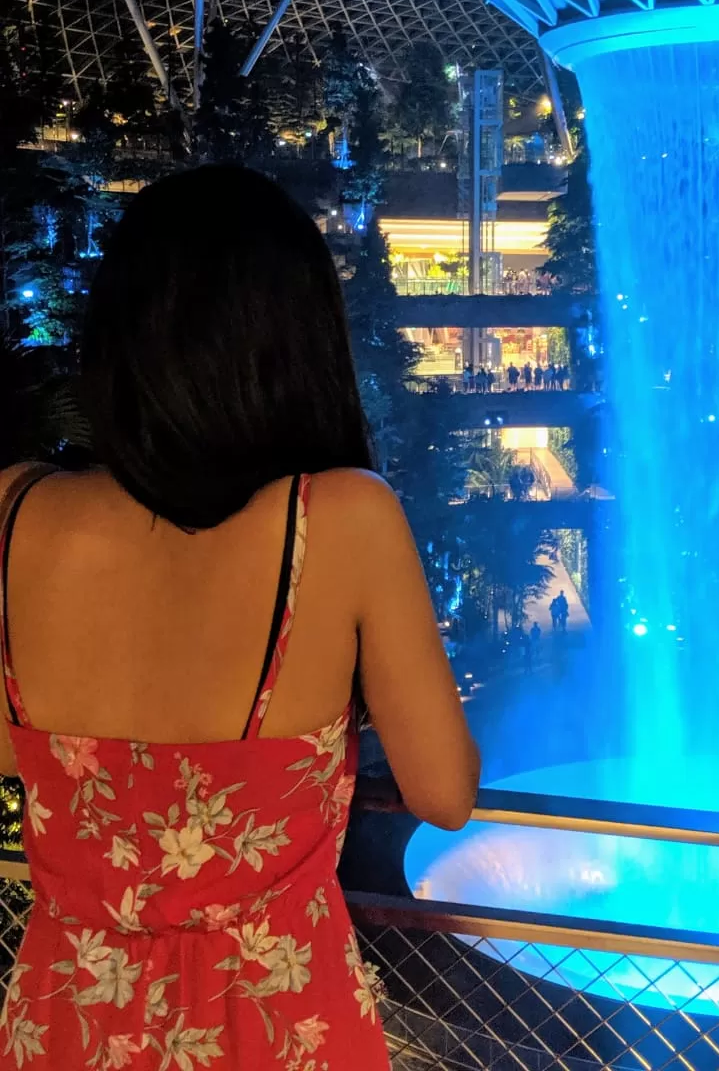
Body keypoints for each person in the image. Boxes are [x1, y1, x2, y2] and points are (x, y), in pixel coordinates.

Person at [0, 166, 479, 1071]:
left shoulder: (14, 510)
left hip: (68, 1014)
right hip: (273, 1022)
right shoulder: (340, 518)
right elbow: (443, 793)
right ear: (296, 343)